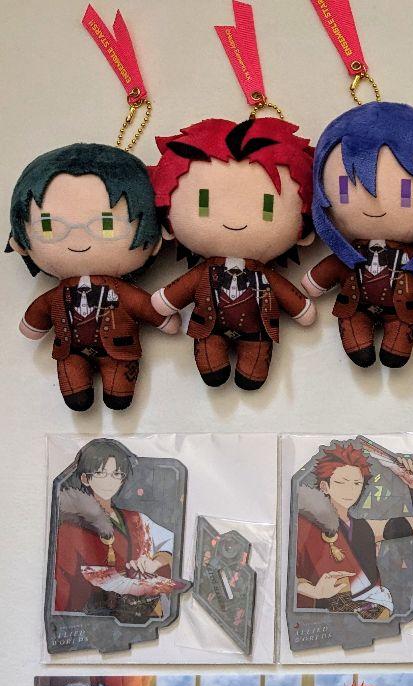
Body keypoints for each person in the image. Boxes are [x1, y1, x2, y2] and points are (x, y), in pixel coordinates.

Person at [149, 117, 317, 390]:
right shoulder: (208, 272)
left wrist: (301, 307)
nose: (235, 218)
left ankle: (249, 371)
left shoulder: (261, 274)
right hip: (208, 328)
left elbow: (286, 293)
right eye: (204, 203)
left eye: (267, 207)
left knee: (253, 369)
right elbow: (178, 291)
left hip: (257, 330)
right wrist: (166, 302)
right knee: (211, 365)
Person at [10, 142, 179, 410]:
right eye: (50, 226)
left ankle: (117, 393)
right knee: (75, 391)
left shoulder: (121, 292)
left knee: (119, 393)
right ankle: (78, 392)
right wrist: (34, 324)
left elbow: (141, 304)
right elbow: (42, 308)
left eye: (107, 225)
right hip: (70, 351)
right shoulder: (58, 295)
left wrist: (162, 318)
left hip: (119, 350)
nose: (79, 238)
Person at [303, 102, 413, 369]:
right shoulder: (348, 255)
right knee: (356, 339)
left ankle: (394, 348)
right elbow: (330, 268)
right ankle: (361, 346)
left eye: (405, 191)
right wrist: (313, 283)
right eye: (345, 189)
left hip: (404, 311)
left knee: (397, 347)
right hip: (353, 307)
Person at [293, 440, 413, 618]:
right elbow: (288, 573)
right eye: (342, 482)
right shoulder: (306, 525)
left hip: (371, 609)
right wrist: (314, 591)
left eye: (356, 483)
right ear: (325, 486)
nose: (350, 491)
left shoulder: (365, 527)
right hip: (324, 615)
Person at [53, 438, 179, 621]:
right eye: (100, 473)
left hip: (139, 613)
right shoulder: (70, 527)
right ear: (85, 478)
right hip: (95, 617)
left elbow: (171, 543)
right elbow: (63, 586)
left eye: (116, 474)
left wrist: (155, 563)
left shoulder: (135, 519)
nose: (109, 481)